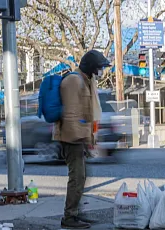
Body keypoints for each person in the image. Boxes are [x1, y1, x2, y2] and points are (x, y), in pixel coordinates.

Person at [53, 50, 110, 229]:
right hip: (71, 138)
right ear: (90, 67)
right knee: (77, 178)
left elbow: (88, 112)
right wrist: (82, 138)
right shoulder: (73, 81)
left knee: (81, 176)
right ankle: (69, 217)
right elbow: (70, 115)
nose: (101, 71)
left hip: (79, 138)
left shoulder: (86, 81)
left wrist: (89, 138)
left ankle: (75, 213)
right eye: (99, 67)